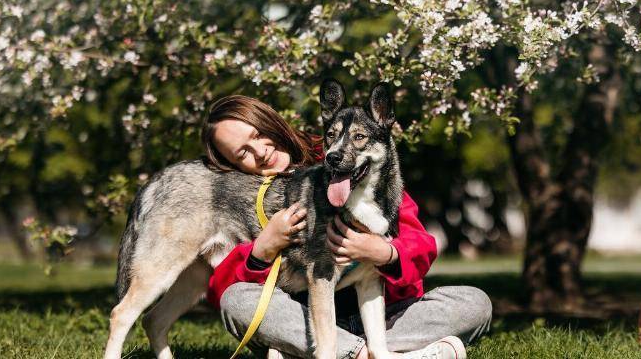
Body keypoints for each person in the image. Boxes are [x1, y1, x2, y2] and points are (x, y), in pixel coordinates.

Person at [201, 95, 492, 359]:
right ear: (231, 165)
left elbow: (422, 245)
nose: (260, 152)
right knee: (237, 302)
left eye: (259, 135)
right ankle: (380, 355)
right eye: (242, 153)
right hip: (303, 317)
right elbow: (220, 294)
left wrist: (386, 253)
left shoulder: (353, 165)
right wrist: (261, 251)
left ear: (272, 122)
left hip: (385, 315)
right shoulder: (243, 196)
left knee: (474, 303)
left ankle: (331, 353)